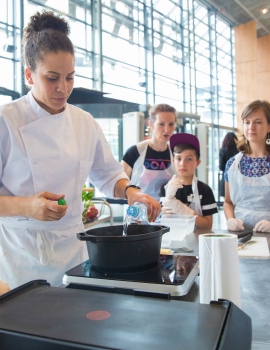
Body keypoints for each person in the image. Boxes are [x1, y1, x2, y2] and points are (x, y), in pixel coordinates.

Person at [0, 10, 161, 289]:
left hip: (73, 250)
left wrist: (132, 192)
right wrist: (28, 206)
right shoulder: (7, 120)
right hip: (19, 254)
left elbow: (109, 176)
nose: (63, 88)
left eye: (70, 77)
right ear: (29, 75)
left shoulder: (84, 122)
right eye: (52, 78)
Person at [224, 100, 270, 232]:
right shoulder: (232, 164)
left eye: (258, 122)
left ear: (269, 126)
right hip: (241, 235)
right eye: (247, 122)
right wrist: (230, 219)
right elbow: (228, 202)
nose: (251, 127)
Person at [161, 133, 218, 230]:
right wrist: (168, 198)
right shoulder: (166, 187)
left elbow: (208, 226)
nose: (183, 164)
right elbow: (162, 222)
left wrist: (186, 212)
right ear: (173, 160)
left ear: (197, 163)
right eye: (178, 158)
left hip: (197, 241)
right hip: (173, 240)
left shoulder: (204, 190)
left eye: (189, 159)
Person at [121, 104, 177, 200]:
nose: (167, 129)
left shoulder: (176, 154)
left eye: (171, 124)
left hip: (169, 211)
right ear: (151, 124)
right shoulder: (134, 152)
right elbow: (120, 184)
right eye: (161, 124)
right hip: (139, 210)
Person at [219, 132, 238, 197]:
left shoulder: (223, 151)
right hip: (237, 177)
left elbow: (221, 167)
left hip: (226, 178)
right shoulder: (239, 151)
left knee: (227, 201)